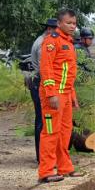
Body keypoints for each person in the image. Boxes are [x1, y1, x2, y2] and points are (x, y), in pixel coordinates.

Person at [38, 9, 83, 183]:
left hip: (65, 94)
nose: (72, 26)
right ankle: (46, 171)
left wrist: (72, 95)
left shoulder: (69, 43)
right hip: (53, 96)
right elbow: (46, 68)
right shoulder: (51, 42)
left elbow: (69, 73)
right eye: (68, 23)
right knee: (50, 133)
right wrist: (51, 94)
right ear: (59, 24)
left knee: (65, 133)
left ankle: (65, 167)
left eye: (74, 23)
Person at [26, 18, 57, 162]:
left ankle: (44, 156)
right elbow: (45, 68)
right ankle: (42, 157)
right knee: (43, 120)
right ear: (50, 29)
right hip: (40, 83)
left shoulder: (44, 41)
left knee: (43, 120)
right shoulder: (42, 44)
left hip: (40, 82)